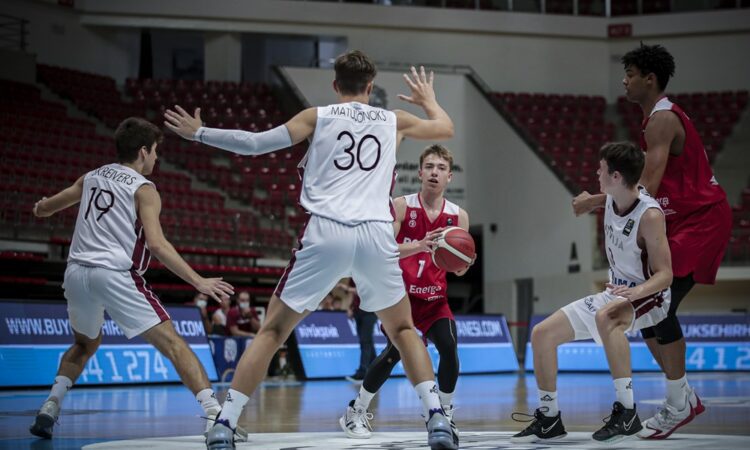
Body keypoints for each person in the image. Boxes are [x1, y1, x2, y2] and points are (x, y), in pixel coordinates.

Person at [164, 50, 457, 450]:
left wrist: (199, 132)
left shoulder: (316, 116)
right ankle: (437, 420)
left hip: (327, 231)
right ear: (371, 88)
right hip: (375, 234)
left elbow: (253, 144)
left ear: (335, 86)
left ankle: (225, 424)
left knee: (273, 331)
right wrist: (427, 101)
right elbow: (445, 127)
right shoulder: (393, 121)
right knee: (404, 330)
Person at [29, 117, 234, 439]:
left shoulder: (91, 176)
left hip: (76, 273)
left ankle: (51, 405)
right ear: (142, 151)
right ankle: (217, 417)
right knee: (174, 345)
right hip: (114, 274)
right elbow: (156, 244)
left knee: (84, 344)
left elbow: (46, 210)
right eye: (154, 152)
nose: (156, 158)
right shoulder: (144, 189)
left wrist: (41, 206)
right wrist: (198, 281)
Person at [573, 43, 732, 438]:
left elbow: (646, 186)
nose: (623, 80)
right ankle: (684, 398)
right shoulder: (653, 121)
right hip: (680, 222)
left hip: (701, 221)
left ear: (650, 78)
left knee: (655, 302)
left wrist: (596, 200)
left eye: (629, 73)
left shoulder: (662, 120)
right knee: (642, 307)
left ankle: (679, 402)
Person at [514, 142, 672, 444]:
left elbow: (666, 275)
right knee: (541, 334)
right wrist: (590, 202)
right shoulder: (614, 196)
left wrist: (635, 291)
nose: (595, 172)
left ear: (614, 176)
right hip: (617, 290)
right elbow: (609, 198)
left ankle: (627, 413)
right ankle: (549, 419)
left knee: (607, 317)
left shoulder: (650, 216)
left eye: (600, 169)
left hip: (650, 294)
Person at [340, 144, 470, 444]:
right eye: (429, 166)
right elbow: (383, 249)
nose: (434, 172)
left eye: (440, 168)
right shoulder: (401, 206)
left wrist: (464, 263)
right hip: (402, 298)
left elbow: (459, 270)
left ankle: (444, 413)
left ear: (449, 176)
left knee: (449, 346)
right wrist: (420, 244)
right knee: (394, 354)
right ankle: (356, 410)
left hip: (435, 299)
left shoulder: (458, 216)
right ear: (420, 172)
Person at [344, 279, 377, 384]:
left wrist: (349, 289)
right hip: (358, 311)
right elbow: (352, 295)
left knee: (365, 341)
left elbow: (367, 290)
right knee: (367, 342)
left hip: (370, 311)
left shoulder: (369, 273)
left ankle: (362, 373)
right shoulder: (352, 276)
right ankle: (377, 369)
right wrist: (349, 308)